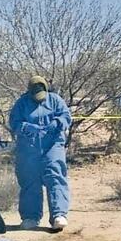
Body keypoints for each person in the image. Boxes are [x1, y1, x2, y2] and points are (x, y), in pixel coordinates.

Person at [9, 76, 72, 232]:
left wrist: (57, 123)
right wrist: (25, 126)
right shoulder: (21, 103)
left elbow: (66, 116)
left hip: (52, 145)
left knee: (55, 176)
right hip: (29, 148)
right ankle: (30, 217)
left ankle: (59, 215)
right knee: (30, 180)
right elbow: (14, 122)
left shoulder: (55, 100)